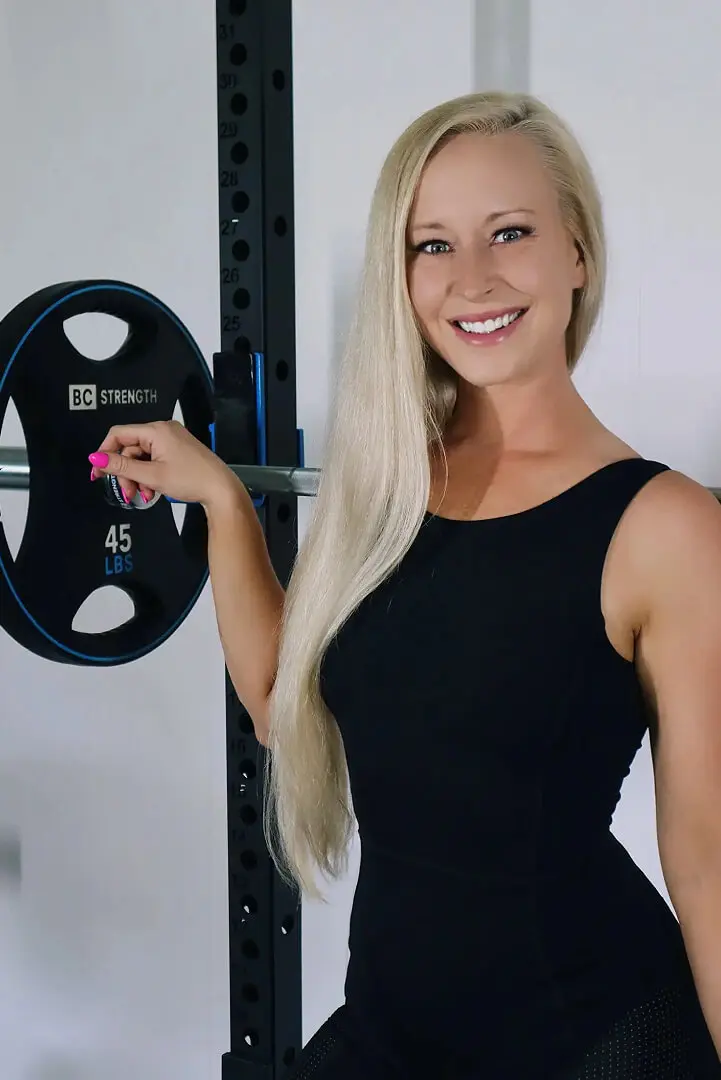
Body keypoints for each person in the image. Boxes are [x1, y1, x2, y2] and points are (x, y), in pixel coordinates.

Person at [88, 91, 721, 1078]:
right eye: (433, 246)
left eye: (509, 232)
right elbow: (277, 701)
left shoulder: (665, 529)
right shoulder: (392, 480)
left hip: (585, 1041)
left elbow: (707, 859)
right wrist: (219, 500)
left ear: (577, 253)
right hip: (390, 1033)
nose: (472, 280)